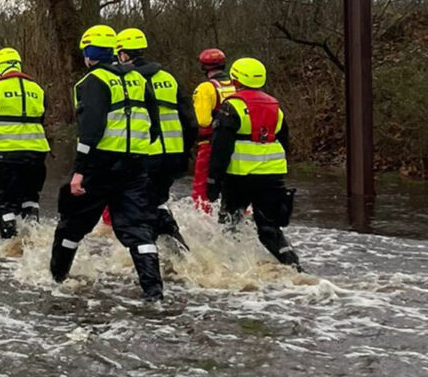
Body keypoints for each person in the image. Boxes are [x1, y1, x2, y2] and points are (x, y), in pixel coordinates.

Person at [48, 25, 164, 301]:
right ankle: (154, 293)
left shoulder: (92, 81)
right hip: (136, 164)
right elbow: (154, 124)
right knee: (138, 230)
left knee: (72, 225)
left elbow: (91, 128)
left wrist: (79, 170)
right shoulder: (139, 79)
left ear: (89, 53)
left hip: (99, 166)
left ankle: (55, 280)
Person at [206, 58, 303, 272]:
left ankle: (228, 270)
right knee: (270, 228)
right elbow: (284, 142)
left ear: (236, 79)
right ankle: (295, 269)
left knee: (230, 224)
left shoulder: (232, 106)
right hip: (272, 176)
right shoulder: (275, 106)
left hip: (239, 176)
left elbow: (221, 148)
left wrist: (213, 181)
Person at [115, 28, 198, 247]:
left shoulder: (128, 81)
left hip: (145, 155)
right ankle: (174, 250)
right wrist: (185, 150)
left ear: (123, 54)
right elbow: (190, 120)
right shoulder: (168, 78)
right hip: (173, 155)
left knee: (140, 206)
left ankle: (162, 251)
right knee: (157, 200)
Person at [0, 47, 49, 239]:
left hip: (7, 155)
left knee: (6, 202)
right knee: (31, 199)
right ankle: (34, 240)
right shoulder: (38, 89)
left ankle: (9, 247)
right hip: (37, 154)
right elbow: (41, 118)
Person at [191, 48, 234, 211]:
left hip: (210, 144)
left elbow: (203, 120)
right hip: (234, 144)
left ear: (203, 67)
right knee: (232, 187)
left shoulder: (205, 88)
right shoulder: (235, 85)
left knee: (202, 190)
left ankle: (203, 225)